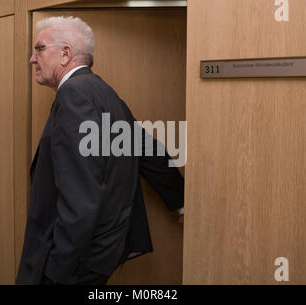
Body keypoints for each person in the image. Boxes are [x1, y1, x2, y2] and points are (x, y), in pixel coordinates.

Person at [15, 16, 184, 285]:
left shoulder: (73, 95)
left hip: (76, 262)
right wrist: (181, 200)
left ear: (65, 53)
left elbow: (80, 198)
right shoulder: (103, 92)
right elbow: (146, 149)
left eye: (39, 49)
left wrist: (57, 270)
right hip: (103, 254)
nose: (32, 59)